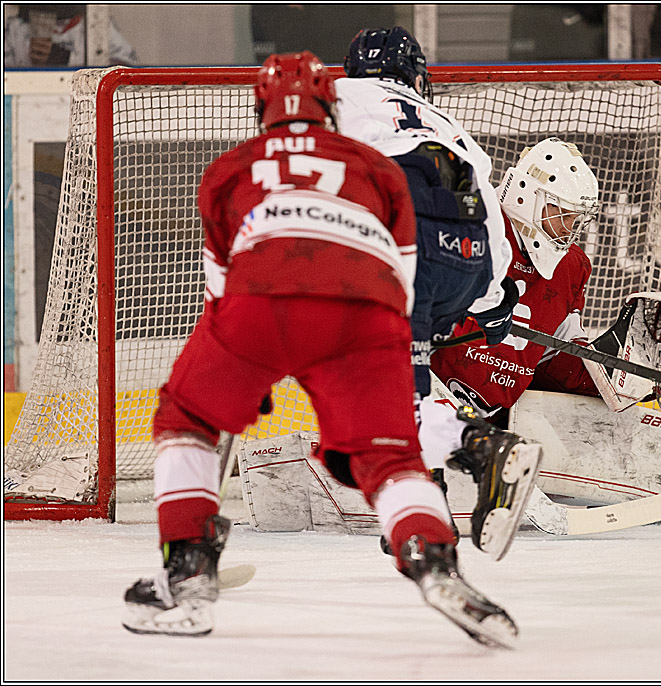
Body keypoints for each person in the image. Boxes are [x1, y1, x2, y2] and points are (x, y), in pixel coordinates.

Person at [121, 50, 518, 649]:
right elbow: (403, 275)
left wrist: (236, 378)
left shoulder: (230, 168)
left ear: (262, 108)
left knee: (186, 419)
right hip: (367, 310)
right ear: (330, 106)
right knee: (390, 456)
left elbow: (220, 291)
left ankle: (187, 573)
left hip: (261, 300)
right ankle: (436, 564)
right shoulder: (373, 164)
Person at [334, 26, 541, 562]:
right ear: (415, 75)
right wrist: (493, 298)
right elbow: (486, 209)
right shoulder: (444, 124)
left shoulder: (338, 96)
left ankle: (464, 469)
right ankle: (435, 502)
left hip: (398, 249)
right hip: (463, 261)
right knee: (408, 387)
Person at [429, 137, 603, 430]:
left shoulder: (571, 266)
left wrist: (622, 374)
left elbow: (555, 359)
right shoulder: (467, 228)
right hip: (421, 410)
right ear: (526, 196)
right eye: (563, 214)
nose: (570, 231)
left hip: (494, 430)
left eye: (577, 219)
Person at [4, 4, 138, 67]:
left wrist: (66, 58)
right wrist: (35, 64)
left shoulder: (97, 23)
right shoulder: (16, 28)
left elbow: (128, 70)